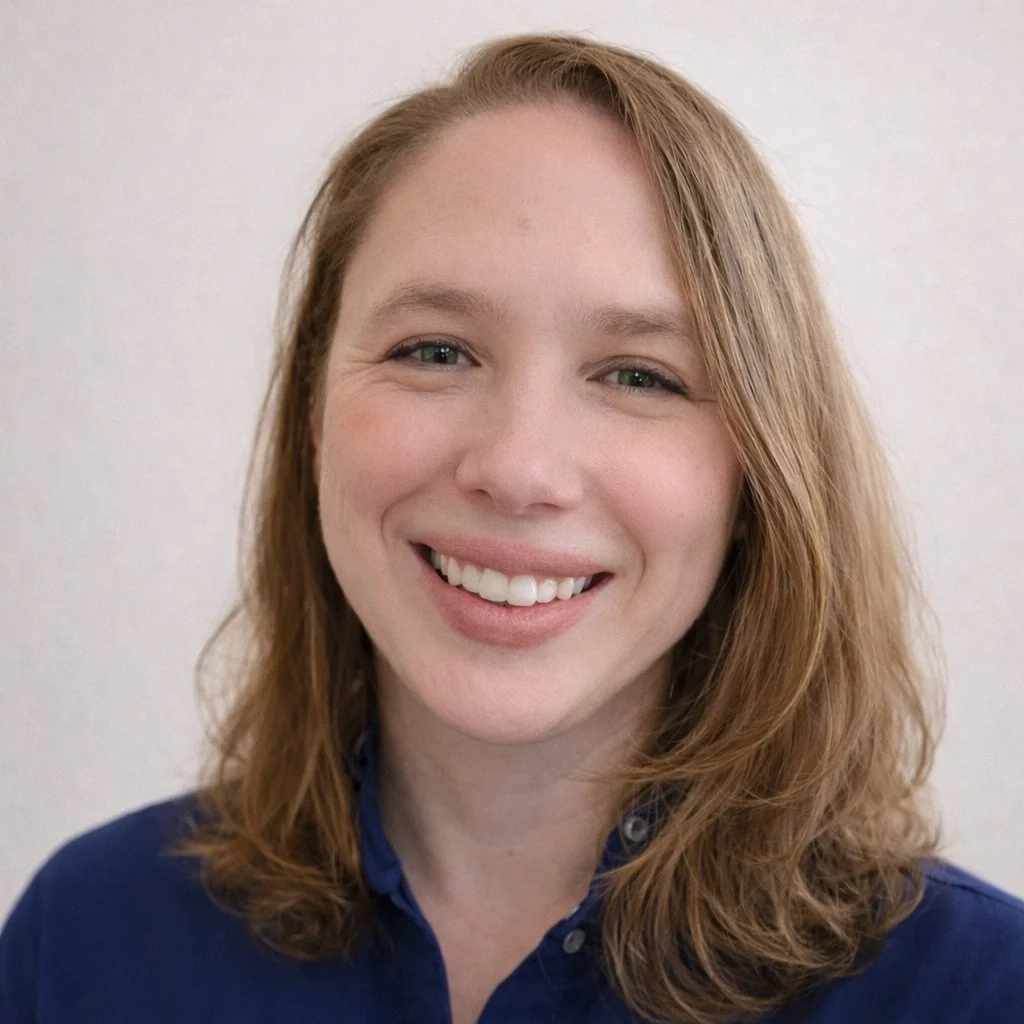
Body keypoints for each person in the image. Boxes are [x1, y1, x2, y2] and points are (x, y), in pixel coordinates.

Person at [1, 32, 1022, 1024]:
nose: (518, 469)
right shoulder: (83, 939)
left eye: (638, 375)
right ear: (312, 407)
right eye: (436, 351)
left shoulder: (979, 992)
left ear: (759, 471)